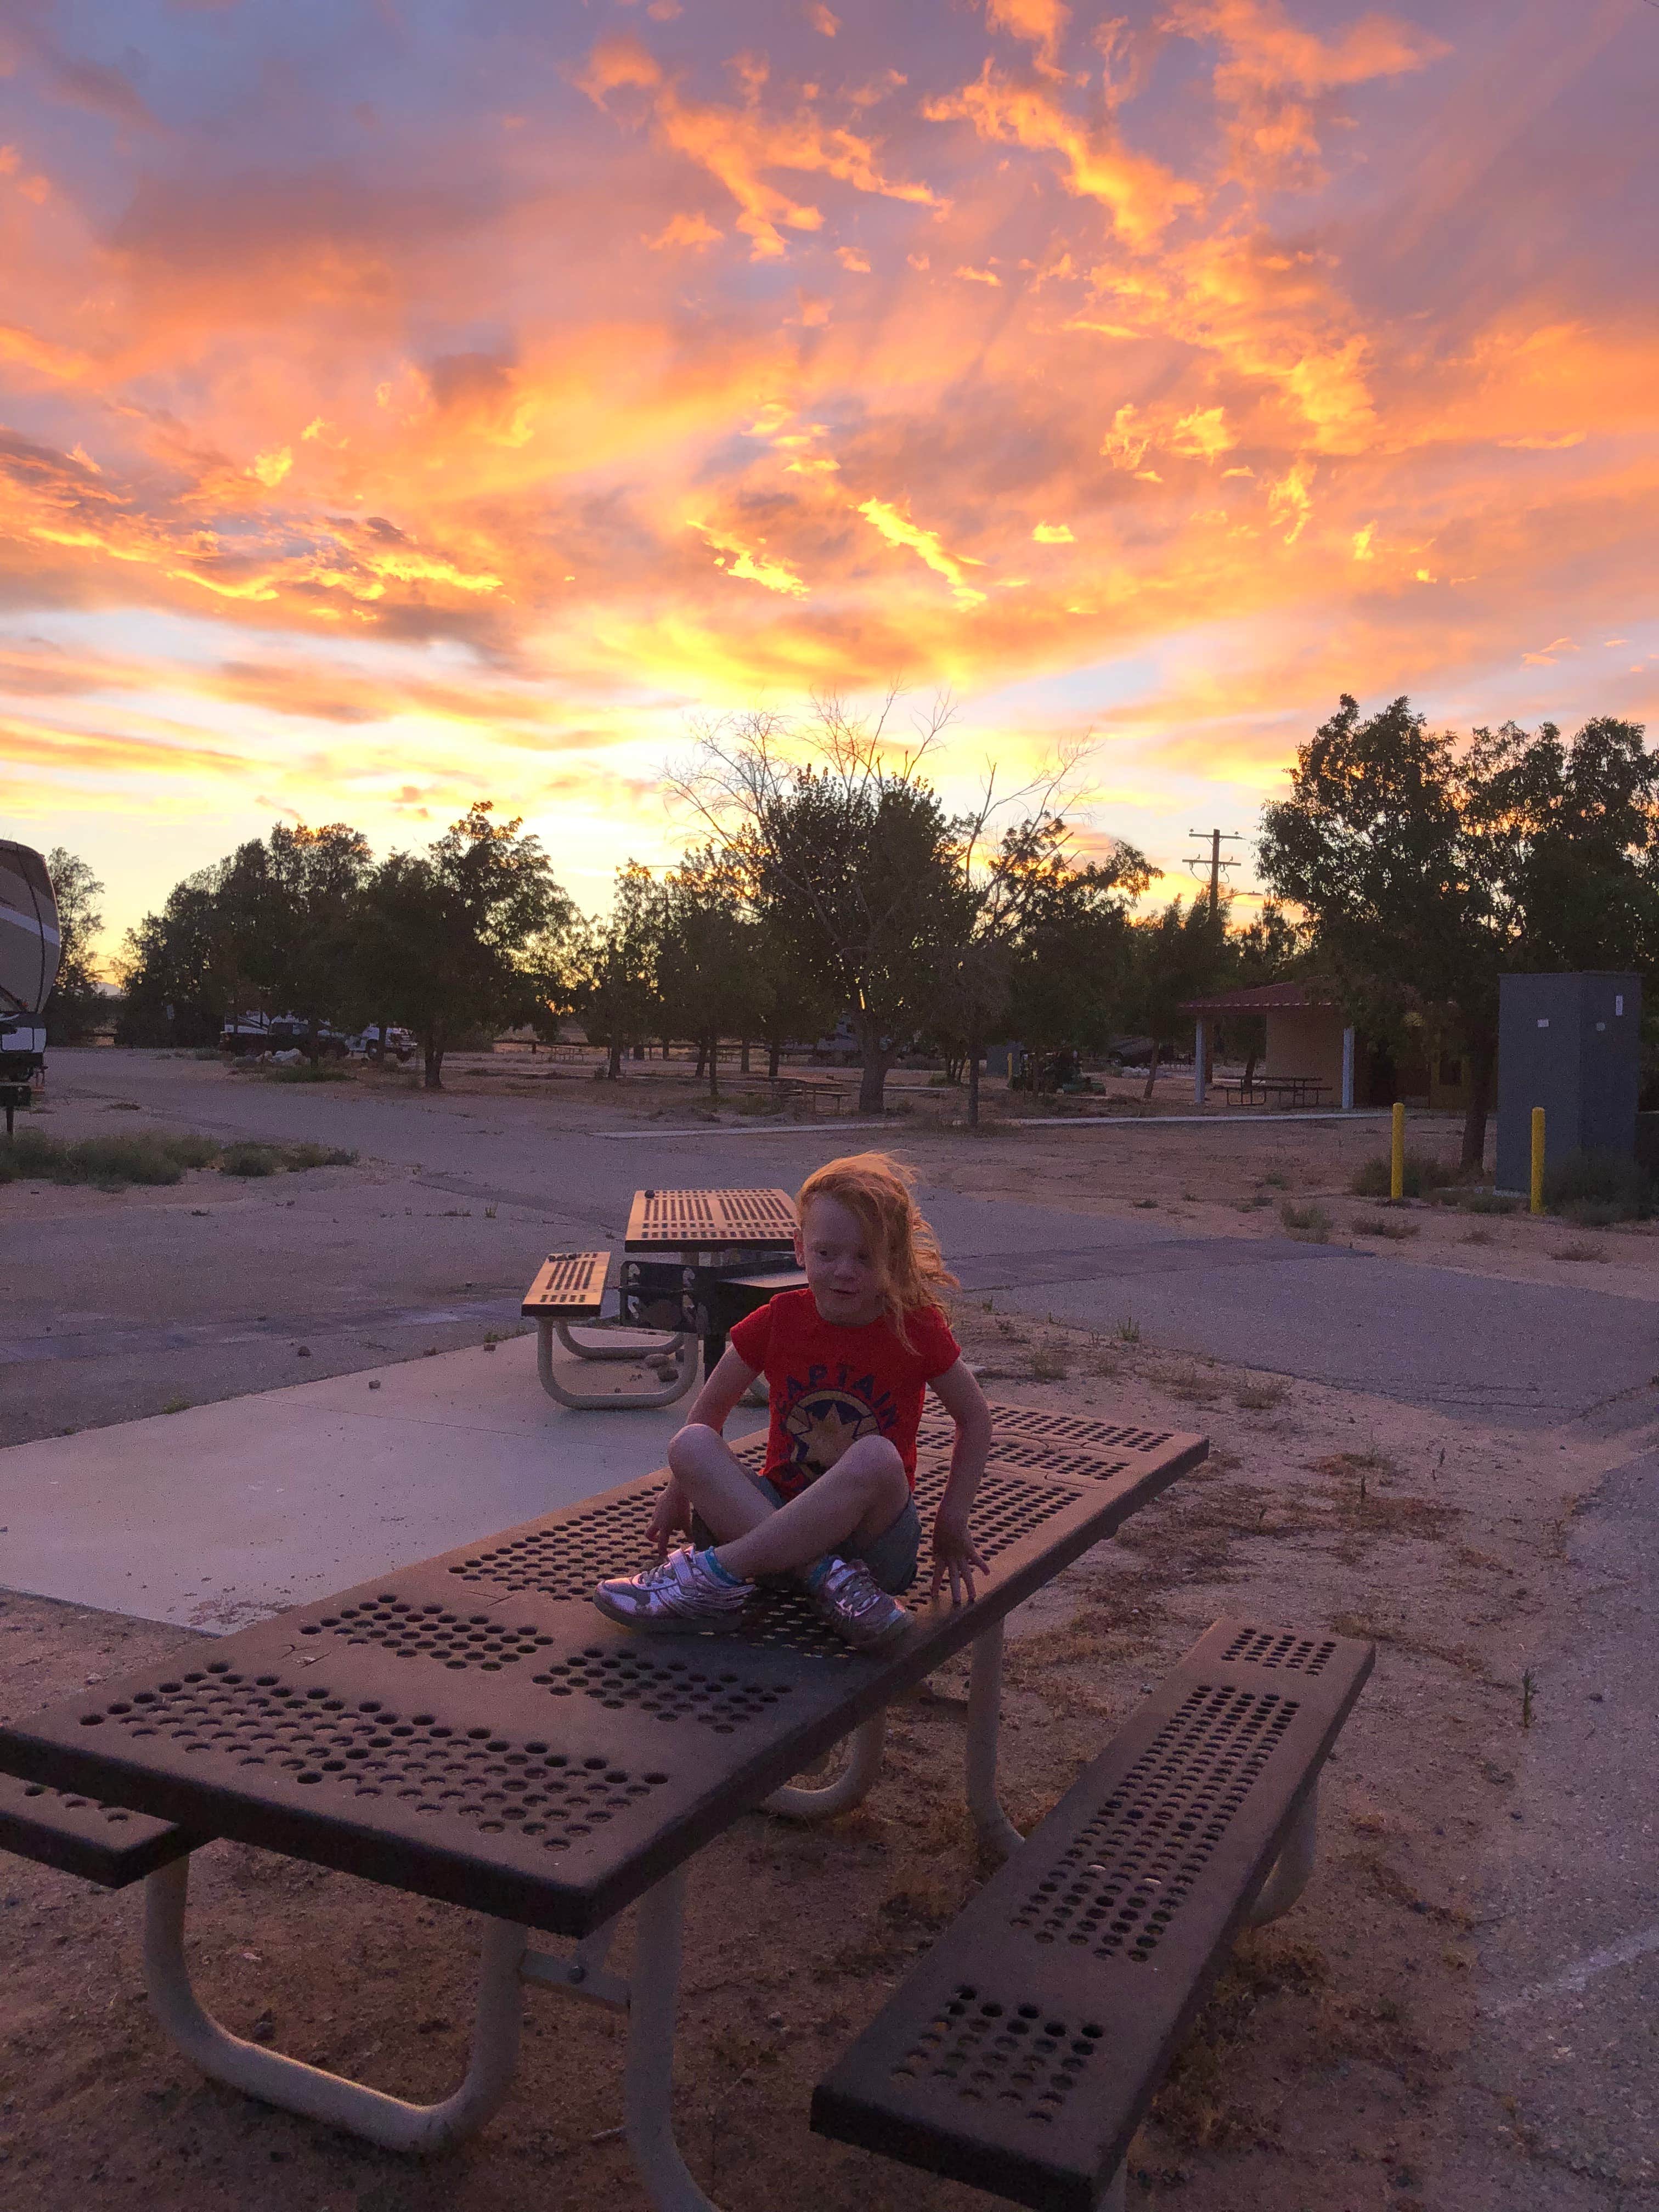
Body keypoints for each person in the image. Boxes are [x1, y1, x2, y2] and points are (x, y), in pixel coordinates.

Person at [594, 1152, 992, 1652]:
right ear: (800, 1248)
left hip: (873, 1546)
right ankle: (825, 1578)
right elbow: (708, 1413)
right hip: (773, 1520)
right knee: (690, 1443)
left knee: (875, 1455)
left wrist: (952, 1516)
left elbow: (975, 1421)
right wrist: (679, 1493)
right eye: (827, 1254)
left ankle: (713, 1575)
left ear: (893, 1257)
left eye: (865, 1257)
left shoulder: (914, 1326)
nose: (844, 1271)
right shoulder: (779, 1318)